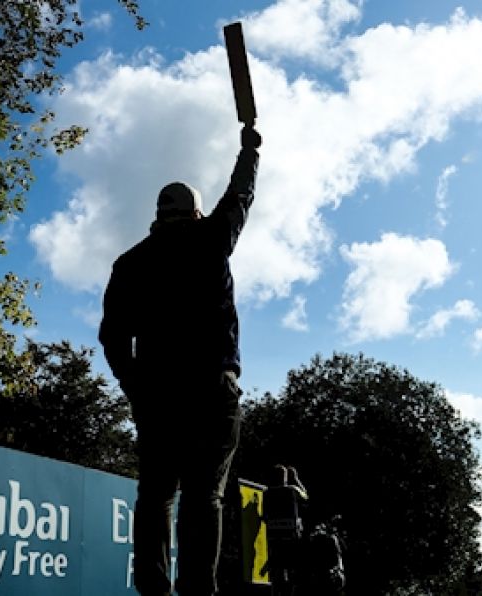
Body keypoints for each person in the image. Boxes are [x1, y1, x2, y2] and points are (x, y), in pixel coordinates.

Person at [99, 123, 261, 596]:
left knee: (155, 498)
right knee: (203, 497)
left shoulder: (129, 264)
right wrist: (249, 151)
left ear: (156, 215)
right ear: (195, 211)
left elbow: (113, 337)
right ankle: (196, 591)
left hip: (159, 395)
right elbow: (240, 196)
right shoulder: (212, 239)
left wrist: (135, 387)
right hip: (212, 389)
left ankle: (152, 590)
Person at [262, 464, 309, 596]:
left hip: (273, 536)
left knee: (277, 568)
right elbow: (306, 496)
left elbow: (264, 515)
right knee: (292, 567)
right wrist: (297, 478)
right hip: (291, 535)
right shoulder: (292, 490)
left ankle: (277, 590)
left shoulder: (266, 493)